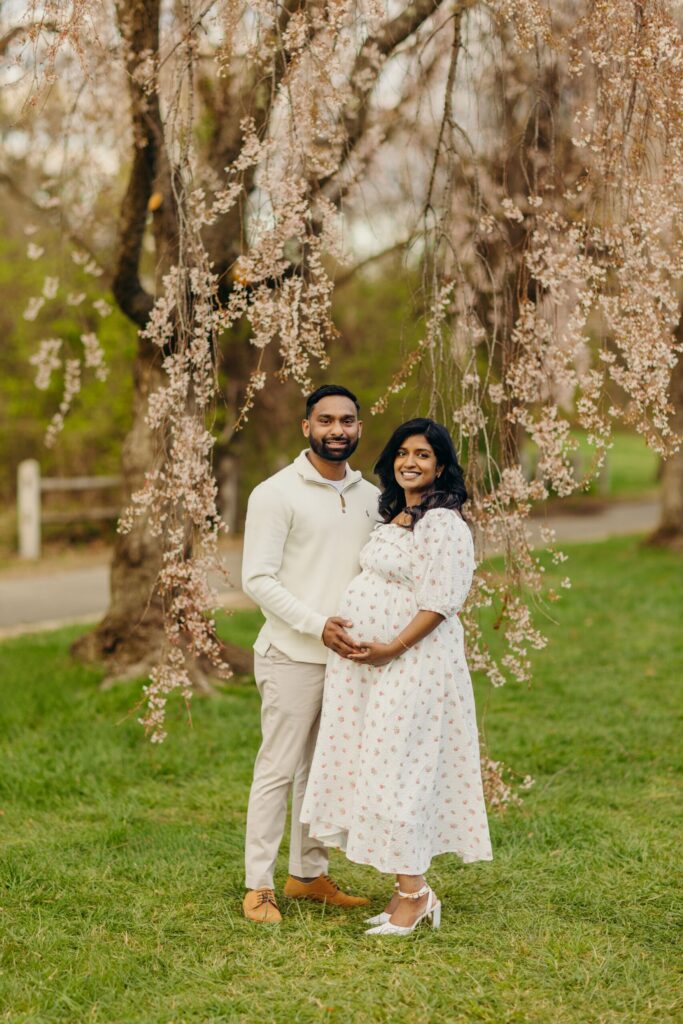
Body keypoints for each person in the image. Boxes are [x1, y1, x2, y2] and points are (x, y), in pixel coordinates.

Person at [301, 417, 492, 936]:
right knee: (377, 768)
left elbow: (440, 602)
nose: (411, 461)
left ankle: (416, 894)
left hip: (415, 665)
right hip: (371, 669)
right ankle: (406, 889)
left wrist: (391, 647)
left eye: (423, 455)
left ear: (442, 466)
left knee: (399, 775)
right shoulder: (397, 516)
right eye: (403, 452)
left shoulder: (443, 523)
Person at [241, 384, 380, 924]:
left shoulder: (372, 495)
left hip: (350, 660)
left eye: (347, 420)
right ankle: (259, 885)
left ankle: (307, 874)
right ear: (307, 427)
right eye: (326, 420)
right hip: (291, 654)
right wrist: (315, 625)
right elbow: (257, 578)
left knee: (323, 772)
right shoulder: (275, 493)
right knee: (277, 769)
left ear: (359, 427)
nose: (337, 430)